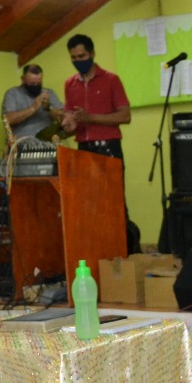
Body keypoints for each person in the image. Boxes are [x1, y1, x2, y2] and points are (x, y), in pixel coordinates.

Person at [61, 33, 139, 253]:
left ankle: (126, 253)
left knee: (114, 203)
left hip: (108, 148)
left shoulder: (111, 80)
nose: (78, 61)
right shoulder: (70, 84)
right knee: (88, 205)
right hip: (83, 149)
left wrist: (91, 118)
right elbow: (71, 116)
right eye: (74, 58)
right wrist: (67, 124)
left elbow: (125, 116)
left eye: (82, 56)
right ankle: (98, 251)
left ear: (92, 54)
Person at [1, 63, 64, 141]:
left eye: (38, 83)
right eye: (32, 84)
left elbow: (63, 117)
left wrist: (48, 108)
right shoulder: (12, 94)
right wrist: (33, 108)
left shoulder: (49, 93)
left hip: (48, 142)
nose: (35, 86)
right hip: (22, 142)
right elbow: (8, 120)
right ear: (23, 79)